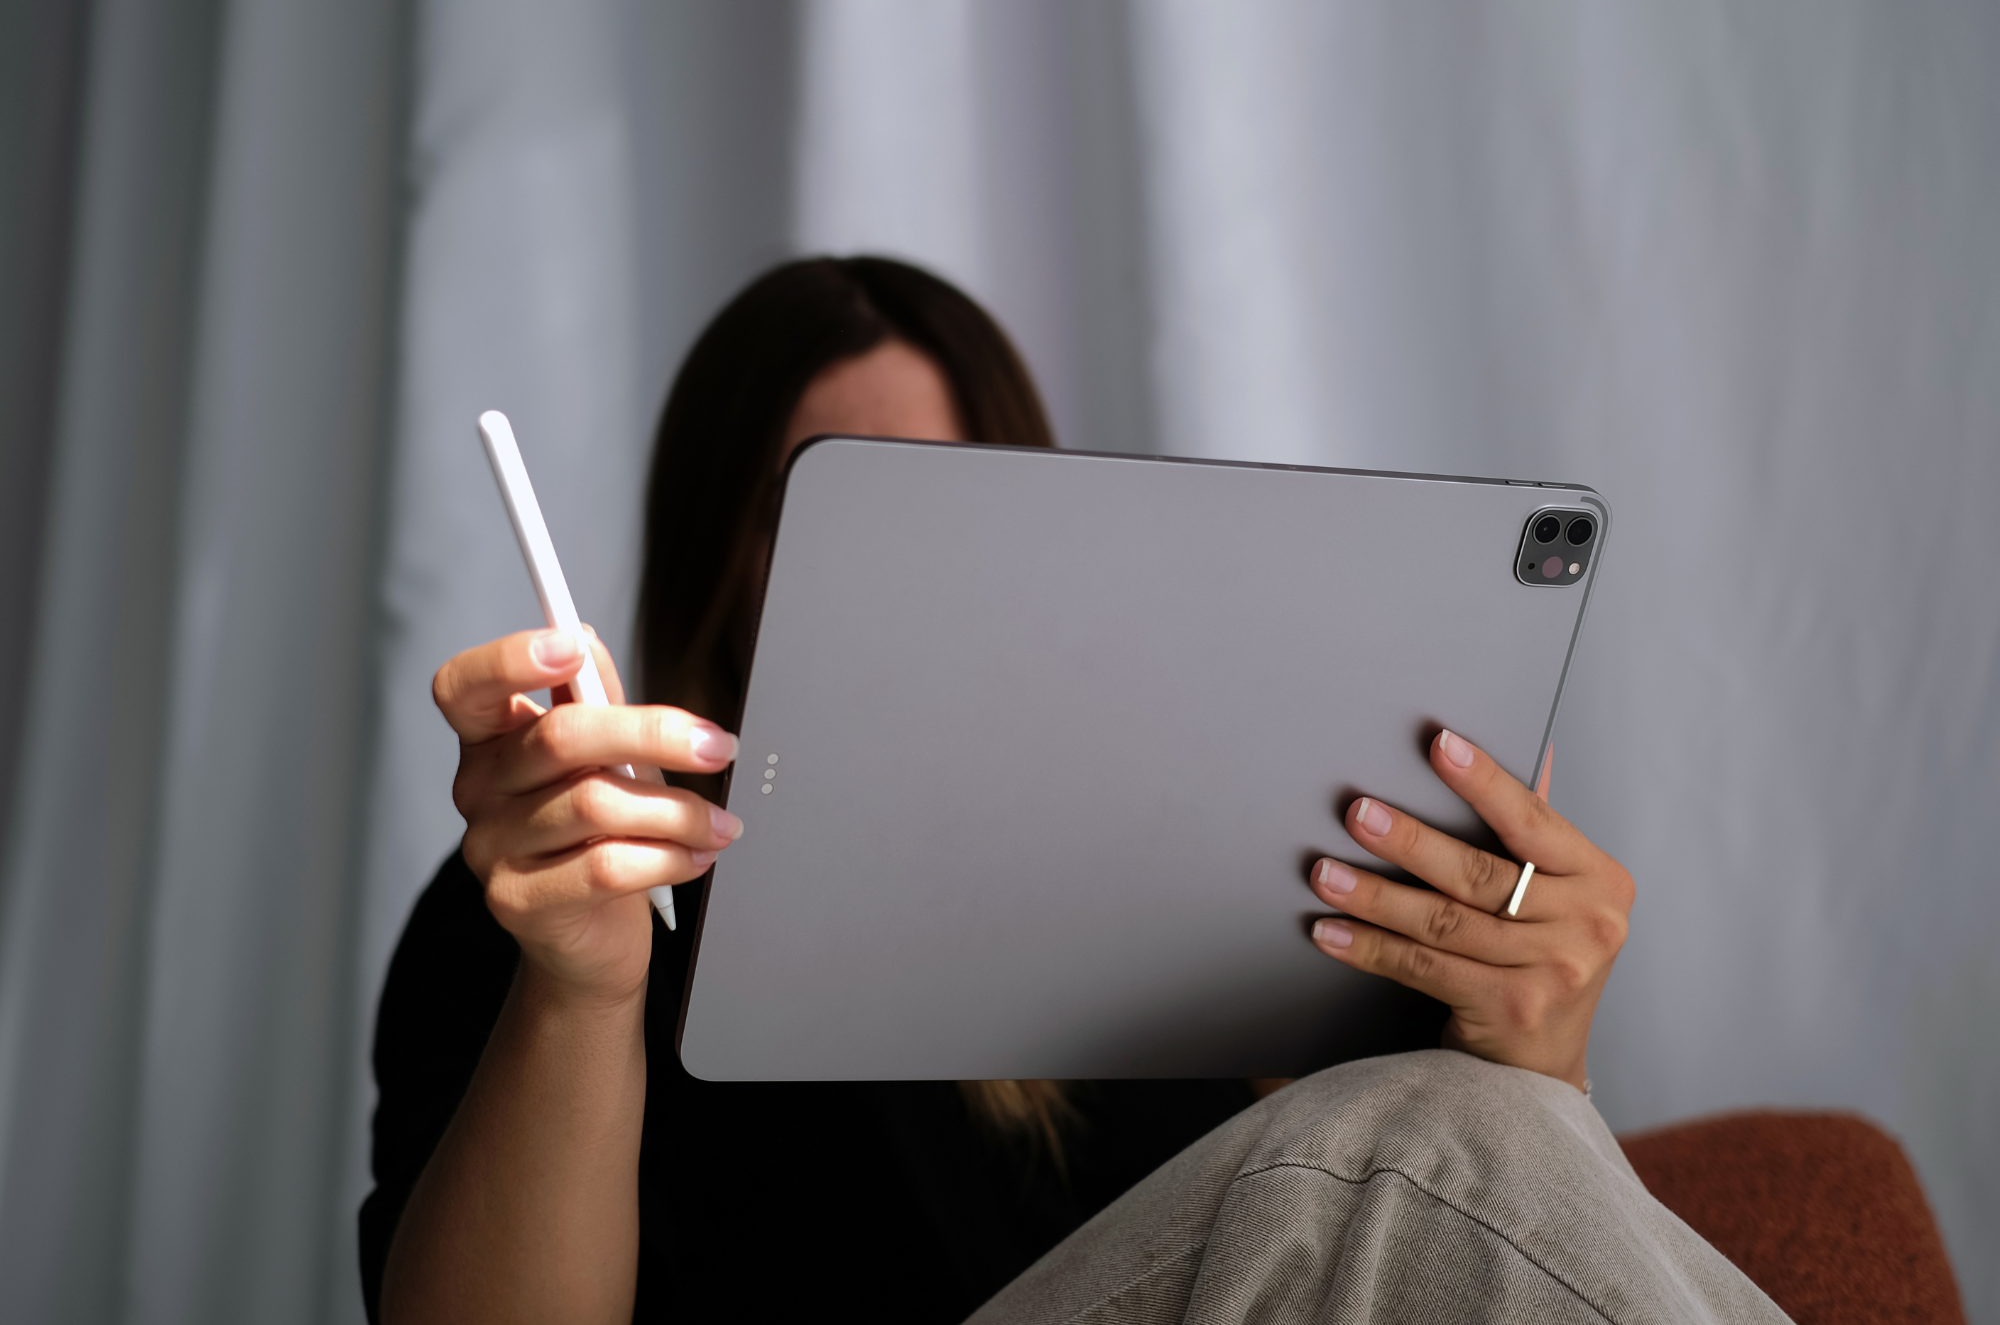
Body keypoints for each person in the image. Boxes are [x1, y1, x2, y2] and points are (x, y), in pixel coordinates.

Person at [362, 257, 1785, 1324]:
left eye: (967, 495)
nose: (923, 569)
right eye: (851, 499)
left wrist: (1539, 1056)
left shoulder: (1173, 861)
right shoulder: (555, 892)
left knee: (1472, 1130)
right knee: (1428, 1152)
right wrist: (580, 991)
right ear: (720, 553)